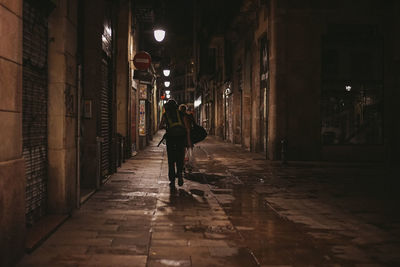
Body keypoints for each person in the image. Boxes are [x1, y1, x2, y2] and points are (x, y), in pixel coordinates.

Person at [159, 100, 192, 188]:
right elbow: (188, 128)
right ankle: (180, 174)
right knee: (180, 158)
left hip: (171, 139)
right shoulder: (182, 114)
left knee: (171, 160)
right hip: (181, 139)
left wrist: (166, 126)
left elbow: (160, 126)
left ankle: (172, 180)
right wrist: (188, 141)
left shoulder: (165, 115)